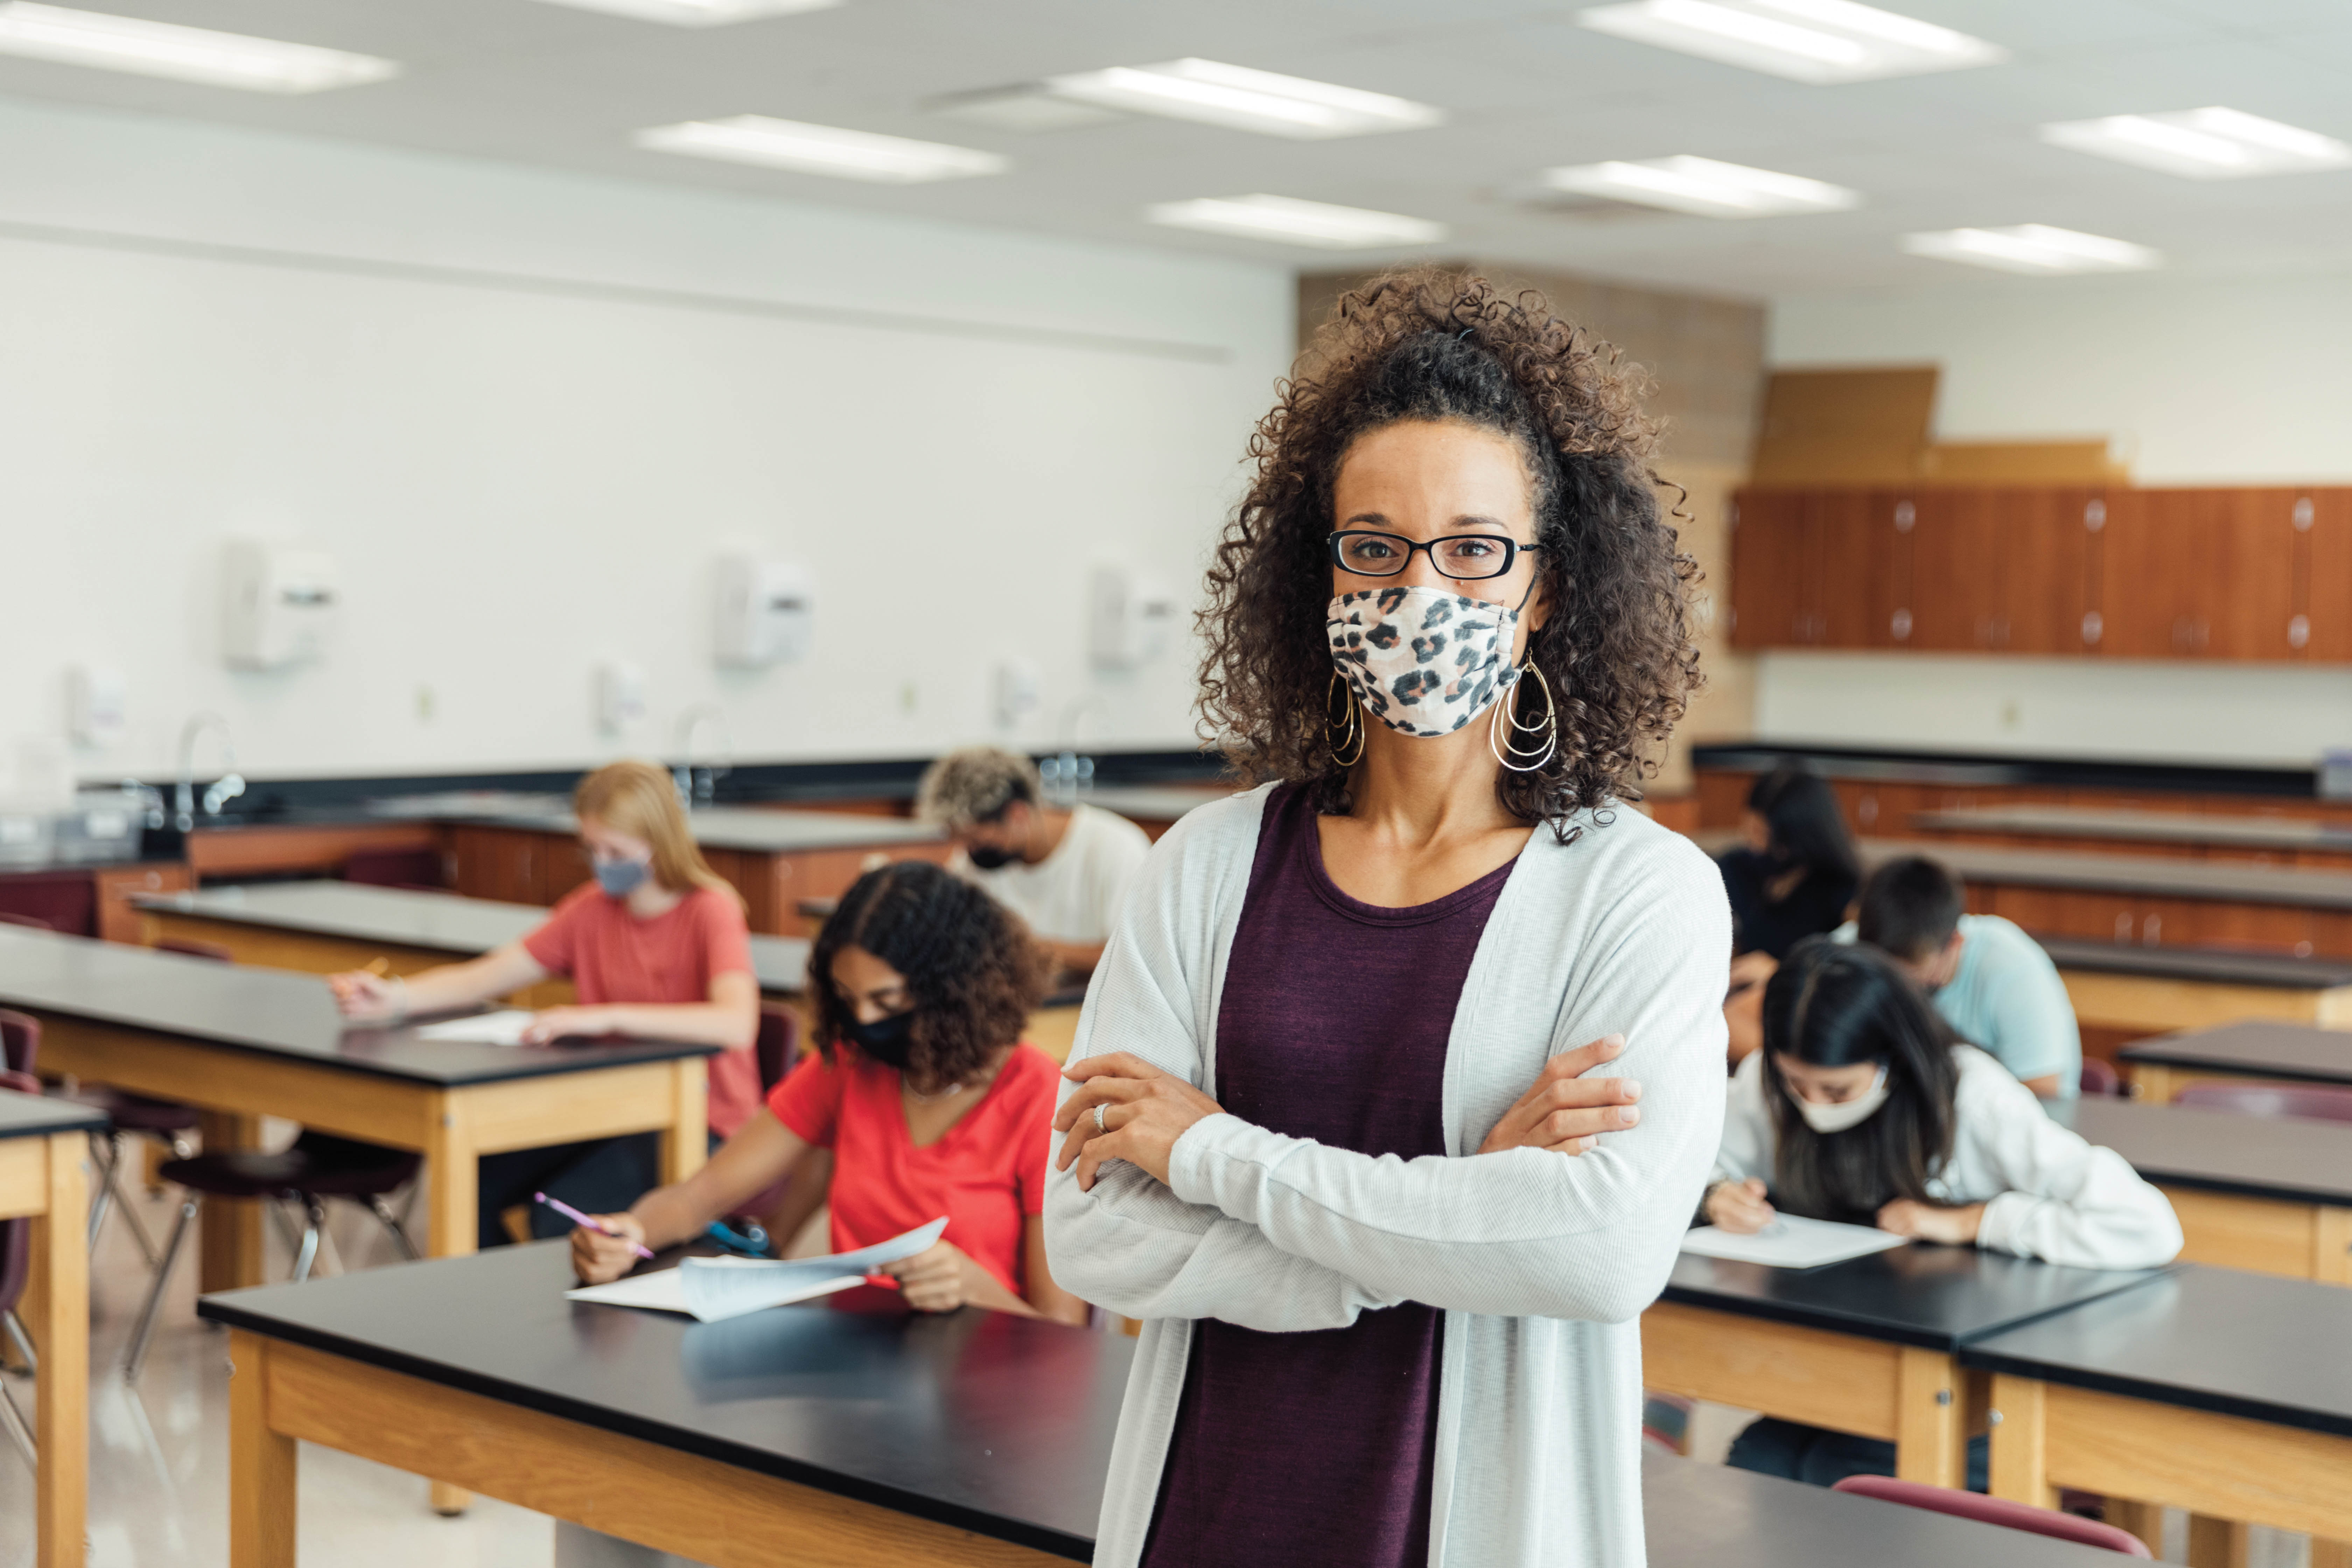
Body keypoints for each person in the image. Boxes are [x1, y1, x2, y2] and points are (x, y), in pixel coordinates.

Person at [1044, 270, 1730, 1568]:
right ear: (1320, 578)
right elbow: (1089, 1230)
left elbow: (1593, 1250)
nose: (1421, 590)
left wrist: (1211, 1157)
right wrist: (1460, 1209)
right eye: (1374, 546)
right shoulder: (1199, 866)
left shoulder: (1637, 891)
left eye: (1473, 548)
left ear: (1541, 588)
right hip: (1211, 1516)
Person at [1701, 937, 2180, 1489]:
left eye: (1837, 1091)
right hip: (1841, 1373)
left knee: (1829, 1485)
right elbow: (1701, 1157)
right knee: (1755, 1470)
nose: (1812, 1105)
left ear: (1892, 1058)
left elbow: (2147, 1225)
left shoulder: (1972, 1096)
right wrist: (1717, 1195)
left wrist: (1978, 1221)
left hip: (1972, 1392)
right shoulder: (1768, 1079)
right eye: (1796, 1085)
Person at [570, 860, 1088, 1325]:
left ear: (956, 993)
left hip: (990, 1386)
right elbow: (700, 1196)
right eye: (847, 999)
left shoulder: (1039, 1099)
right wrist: (631, 1231)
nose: (863, 1020)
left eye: (886, 1001)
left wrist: (971, 1286)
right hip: (858, 1360)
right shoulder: (850, 1064)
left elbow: (1062, 1329)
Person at [330, 759, 761, 1247]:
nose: (603, 863)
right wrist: (397, 997)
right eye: (592, 850)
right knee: (472, 1182)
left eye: (615, 850)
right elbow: (489, 974)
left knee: (565, 1219)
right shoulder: (590, 909)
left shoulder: (711, 908)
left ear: (659, 843)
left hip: (702, 1118)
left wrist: (605, 1017)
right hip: (612, 1106)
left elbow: (736, 1024)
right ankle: (501, 1310)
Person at [1850, 854, 2082, 1099]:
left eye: (1912, 974)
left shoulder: (2011, 969)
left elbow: (2043, 1095)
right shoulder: (1853, 951)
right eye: (1886, 974)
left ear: (1955, 943)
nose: (1899, 986)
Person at [916, 746, 1150, 981]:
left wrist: (1029, 949)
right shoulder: (973, 866)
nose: (969, 851)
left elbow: (1138, 958)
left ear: (1018, 815)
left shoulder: (1116, 848)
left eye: (976, 840)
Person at [1719, 764, 1862, 1062]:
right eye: (1750, 829)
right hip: (1734, 997)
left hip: (1796, 1015)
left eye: (1763, 834)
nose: (1752, 843)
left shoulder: (1841, 893)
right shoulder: (1736, 869)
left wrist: (1778, 974)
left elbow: (1849, 982)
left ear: (1796, 837)